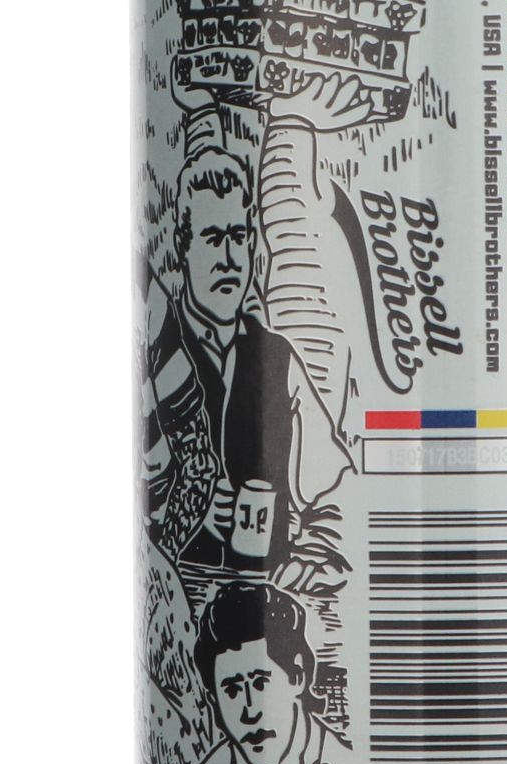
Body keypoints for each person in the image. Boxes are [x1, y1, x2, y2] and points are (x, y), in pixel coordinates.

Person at [142, 143, 353, 580]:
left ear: (252, 244)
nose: (227, 260)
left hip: (273, 598)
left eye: (237, 238)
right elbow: (148, 510)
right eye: (212, 239)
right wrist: (195, 516)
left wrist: (310, 555)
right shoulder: (158, 350)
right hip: (186, 598)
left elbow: (333, 492)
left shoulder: (277, 358)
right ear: (182, 248)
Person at [169, 582, 353, 764]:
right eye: (231, 690)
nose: (250, 710)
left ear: (297, 675)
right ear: (214, 699)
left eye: (260, 683)